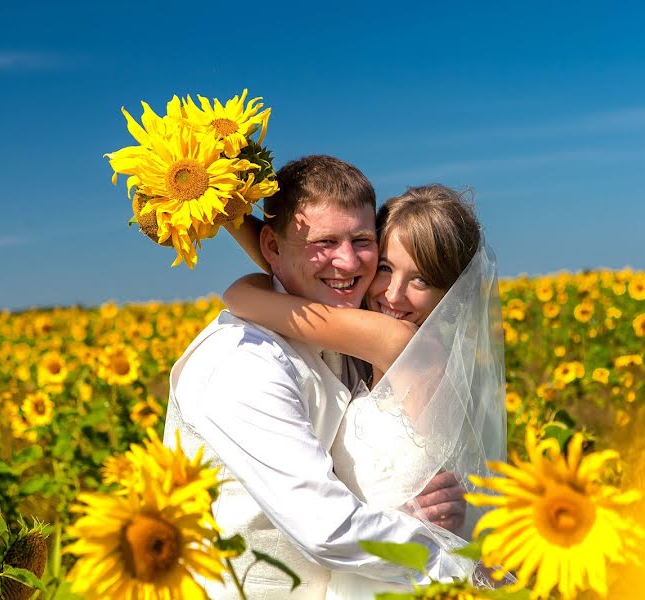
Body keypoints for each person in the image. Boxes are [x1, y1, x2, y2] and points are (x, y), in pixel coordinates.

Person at [166, 157, 477, 599]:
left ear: (453, 292)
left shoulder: (381, 334)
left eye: (363, 241)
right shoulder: (243, 363)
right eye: (386, 268)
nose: (351, 265)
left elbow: (297, 270)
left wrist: (247, 284)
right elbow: (325, 527)